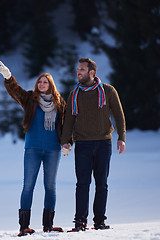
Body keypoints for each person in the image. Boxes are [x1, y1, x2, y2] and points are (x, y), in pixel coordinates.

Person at [0, 60, 69, 237]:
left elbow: (67, 125)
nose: (42, 84)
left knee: (50, 186)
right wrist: (8, 77)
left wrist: (68, 142)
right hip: (33, 149)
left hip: (53, 150)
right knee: (28, 186)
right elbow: (16, 91)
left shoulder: (60, 103)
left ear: (51, 85)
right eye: (40, 81)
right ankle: (24, 226)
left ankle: (48, 225)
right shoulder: (30, 99)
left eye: (45, 82)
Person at [60, 58, 126, 231]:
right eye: (77, 69)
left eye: (82, 69)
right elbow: (68, 120)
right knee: (82, 184)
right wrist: (65, 141)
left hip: (104, 143)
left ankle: (100, 221)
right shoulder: (74, 93)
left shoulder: (108, 91)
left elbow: (119, 115)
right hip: (82, 144)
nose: (78, 72)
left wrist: (122, 137)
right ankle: (80, 221)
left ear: (92, 72)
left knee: (102, 183)